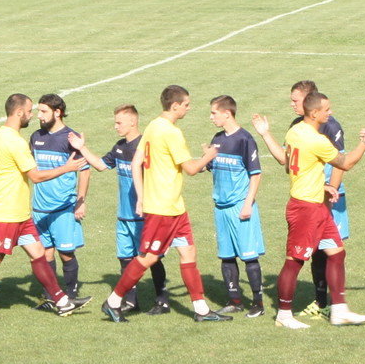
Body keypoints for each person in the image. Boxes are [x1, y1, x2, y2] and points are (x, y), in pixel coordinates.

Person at [101, 86, 229, 324]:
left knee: (188, 252)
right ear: (175, 106)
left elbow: (137, 160)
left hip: (175, 207)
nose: (189, 108)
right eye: (187, 104)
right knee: (148, 257)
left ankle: (201, 310)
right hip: (163, 208)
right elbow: (191, 169)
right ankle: (114, 301)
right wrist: (209, 156)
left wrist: (140, 196)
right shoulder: (171, 132)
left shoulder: (152, 125)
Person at [253, 92, 365, 329]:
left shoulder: (294, 131)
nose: (330, 113)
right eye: (327, 110)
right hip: (305, 209)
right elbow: (346, 163)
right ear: (315, 113)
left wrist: (320, 185)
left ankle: (339, 309)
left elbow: (294, 166)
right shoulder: (316, 140)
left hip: (317, 204)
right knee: (295, 261)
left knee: (337, 252)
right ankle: (284, 314)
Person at [0, 94, 77, 321]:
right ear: (20, 112)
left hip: (20, 214)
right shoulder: (14, 141)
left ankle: (62, 301)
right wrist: (67, 167)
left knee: (38, 253)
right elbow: (36, 176)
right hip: (7, 213)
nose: (32, 115)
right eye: (30, 111)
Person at [252, 80, 348, 318]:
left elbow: (340, 162)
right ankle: (322, 303)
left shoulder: (330, 125)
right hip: (310, 199)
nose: (292, 103)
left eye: (295, 99)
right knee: (314, 253)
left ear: (309, 102)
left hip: (326, 197)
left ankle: (331, 305)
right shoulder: (297, 126)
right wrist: (266, 135)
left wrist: (332, 188)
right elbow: (285, 161)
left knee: (331, 251)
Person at [88, 104, 167, 313]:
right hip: (123, 216)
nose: (115, 126)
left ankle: (162, 300)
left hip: (143, 216)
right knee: (125, 259)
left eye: (119, 122)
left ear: (133, 122)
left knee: (151, 258)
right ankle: (131, 301)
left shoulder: (145, 147)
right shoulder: (120, 147)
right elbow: (100, 165)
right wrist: (81, 147)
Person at [29, 93, 93, 305]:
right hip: (40, 208)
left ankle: (71, 294)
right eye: (39, 111)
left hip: (63, 207)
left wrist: (80, 200)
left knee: (66, 252)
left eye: (44, 111)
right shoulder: (35, 137)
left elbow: (85, 170)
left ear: (58, 112)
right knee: (45, 254)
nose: (40, 115)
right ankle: (51, 296)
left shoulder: (71, 138)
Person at [207, 96, 265, 316]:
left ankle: (258, 303)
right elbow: (212, 166)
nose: (211, 117)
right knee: (227, 256)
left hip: (240, 206)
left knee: (249, 256)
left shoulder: (245, 139)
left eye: (214, 113)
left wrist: (248, 203)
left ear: (227, 113)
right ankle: (235, 300)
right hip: (220, 206)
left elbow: (255, 174)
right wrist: (206, 158)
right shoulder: (218, 138)